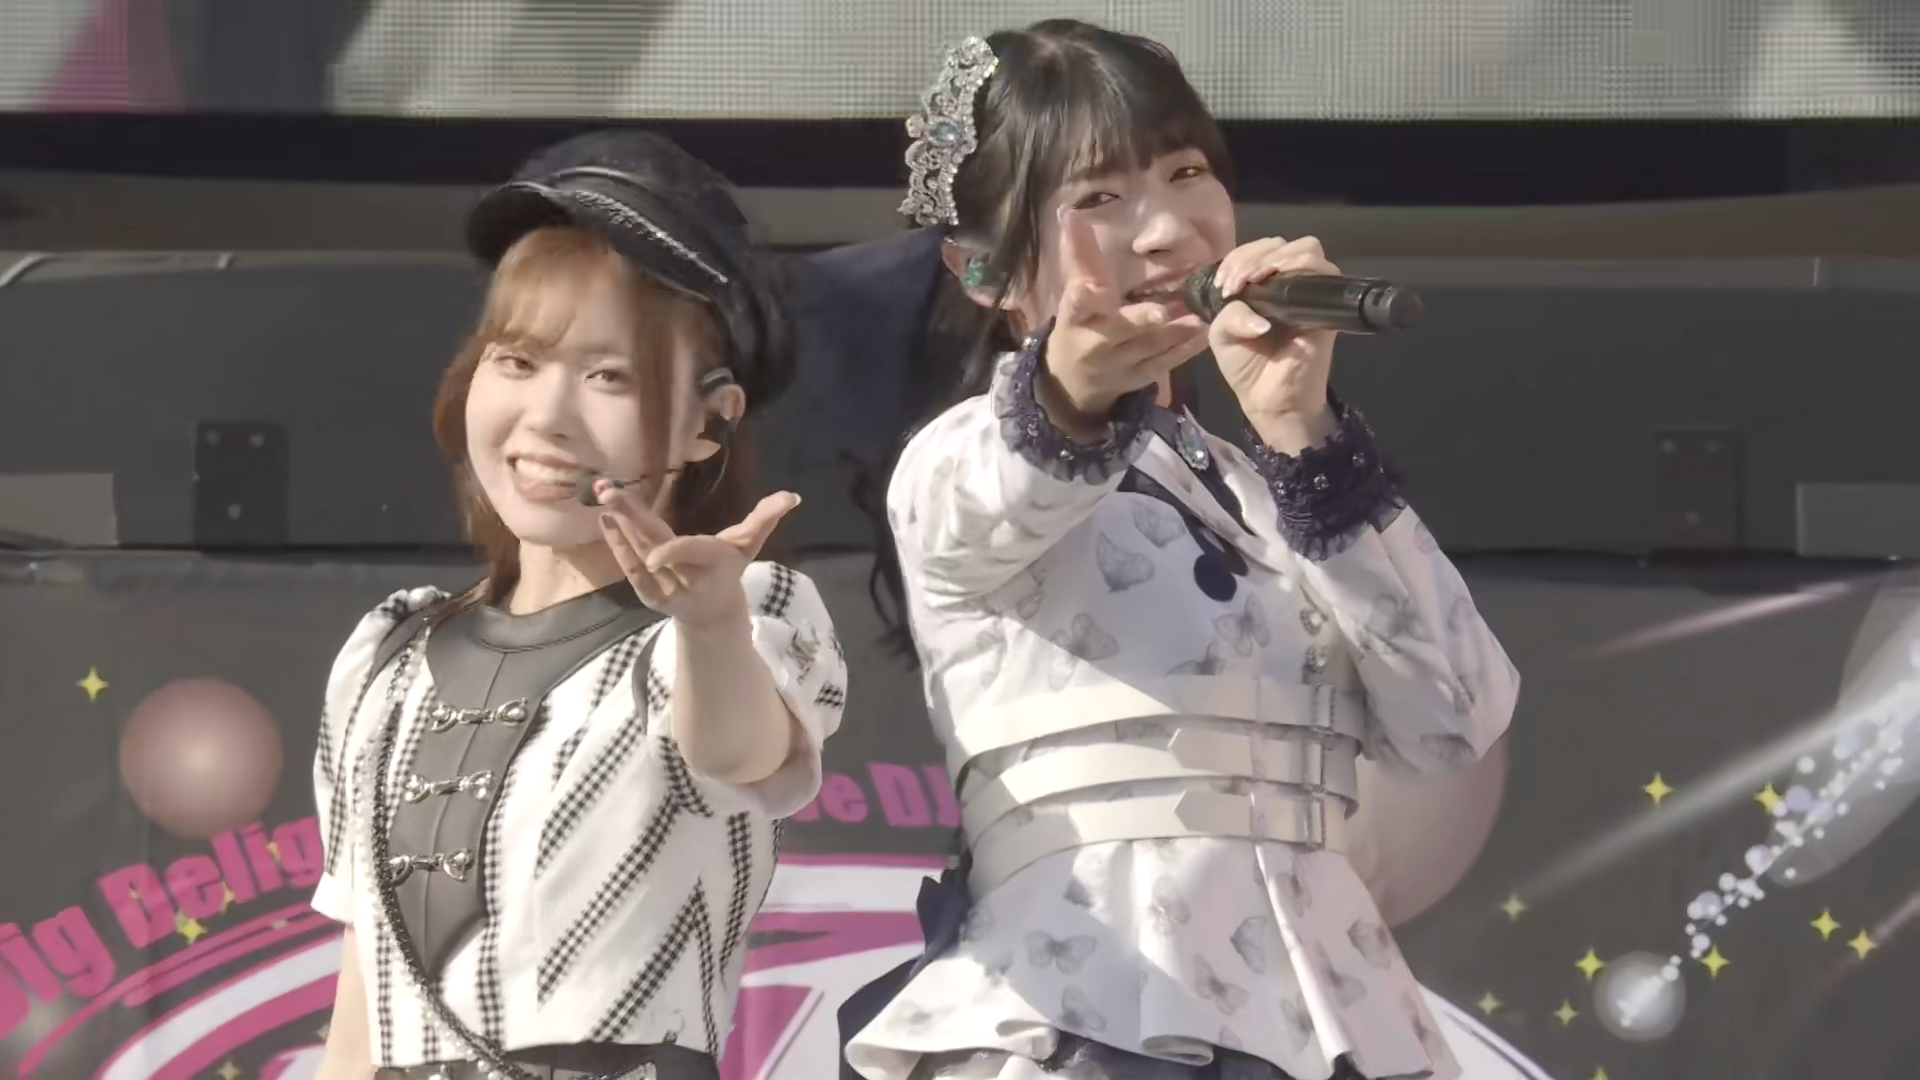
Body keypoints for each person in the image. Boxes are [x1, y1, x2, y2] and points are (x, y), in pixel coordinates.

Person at [842, 20, 1519, 1080]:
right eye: (1099, 198)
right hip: (1093, 1005)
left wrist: (1304, 431)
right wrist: (1069, 390)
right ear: (984, 268)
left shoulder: (1273, 486)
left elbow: (1455, 719)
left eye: (1186, 173)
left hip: (1327, 1019)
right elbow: (996, 494)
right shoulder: (962, 456)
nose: (1165, 231)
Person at [309, 131, 847, 1080]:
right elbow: (361, 1012)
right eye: (517, 362)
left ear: (708, 420)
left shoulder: (744, 617)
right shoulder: (386, 657)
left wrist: (710, 624)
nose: (547, 417)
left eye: (608, 376)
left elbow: (742, 754)